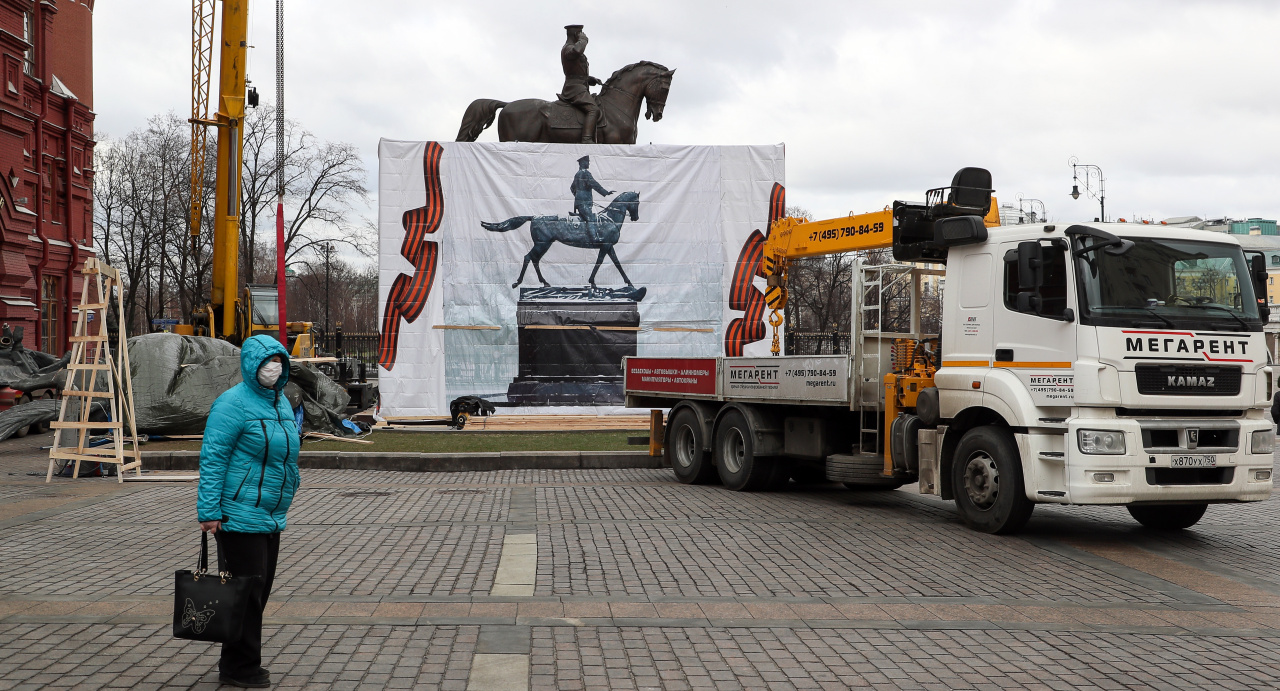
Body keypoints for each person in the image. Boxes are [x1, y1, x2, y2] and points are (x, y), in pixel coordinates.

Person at [196, 335, 300, 688]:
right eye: (267, 361)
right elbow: (213, 458)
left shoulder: (279, 402)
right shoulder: (232, 404)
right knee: (246, 592)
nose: (274, 367)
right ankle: (240, 667)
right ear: (251, 365)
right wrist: (209, 511)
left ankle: (239, 661)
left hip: (270, 513)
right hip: (238, 514)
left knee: (259, 591)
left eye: (279, 361)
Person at [559, 24, 603, 144]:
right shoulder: (568, 48)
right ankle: (587, 138)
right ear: (575, 34)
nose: (582, 34)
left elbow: (575, 71)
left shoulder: (571, 48)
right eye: (580, 33)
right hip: (573, 89)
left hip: (580, 86)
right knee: (593, 109)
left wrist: (589, 79)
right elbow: (577, 50)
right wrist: (583, 40)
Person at [570, 155, 614, 244]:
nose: (589, 163)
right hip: (584, 202)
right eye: (587, 161)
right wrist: (606, 192)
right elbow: (594, 184)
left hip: (580, 202)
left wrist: (578, 196)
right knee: (590, 219)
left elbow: (572, 188)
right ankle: (594, 238)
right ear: (583, 162)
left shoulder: (577, 174)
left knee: (587, 218)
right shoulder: (585, 173)